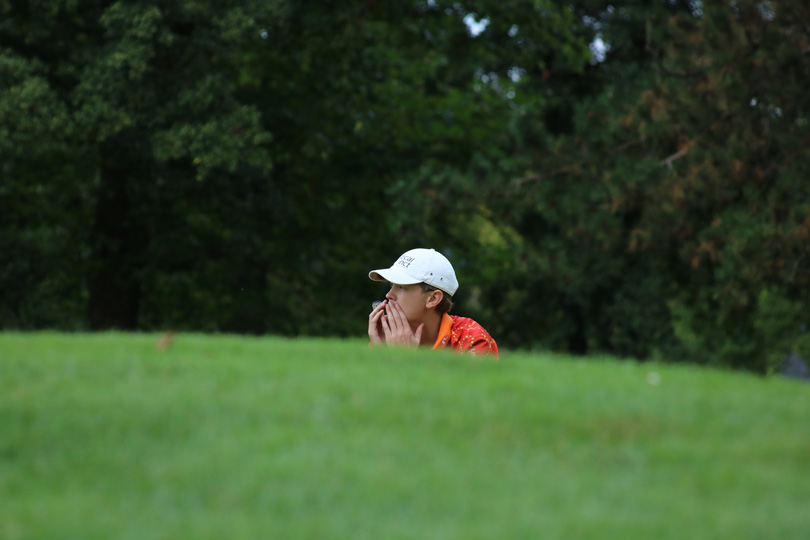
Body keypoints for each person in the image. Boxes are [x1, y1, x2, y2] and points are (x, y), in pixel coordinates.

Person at [368, 248, 498, 357]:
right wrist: (382, 355)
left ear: (433, 299)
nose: (389, 295)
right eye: (392, 285)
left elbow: (461, 388)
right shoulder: (388, 337)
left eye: (402, 287)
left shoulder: (471, 339)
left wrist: (404, 358)